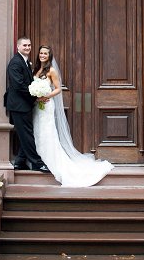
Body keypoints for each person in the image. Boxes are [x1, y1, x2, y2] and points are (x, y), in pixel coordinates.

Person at [31, 45, 114, 187]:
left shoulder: (51, 71)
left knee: (46, 132)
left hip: (46, 105)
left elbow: (58, 89)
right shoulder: (36, 69)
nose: (42, 55)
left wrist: (46, 96)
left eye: (45, 53)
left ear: (49, 56)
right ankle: (37, 159)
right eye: (41, 53)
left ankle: (50, 160)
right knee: (36, 131)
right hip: (37, 107)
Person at [5, 37, 45, 171]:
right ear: (18, 47)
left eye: (29, 45)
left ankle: (20, 162)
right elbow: (19, 86)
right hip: (19, 105)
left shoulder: (25, 62)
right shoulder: (15, 63)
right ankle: (37, 163)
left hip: (24, 104)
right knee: (27, 134)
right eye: (24, 45)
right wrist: (35, 95)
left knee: (25, 133)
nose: (27, 47)